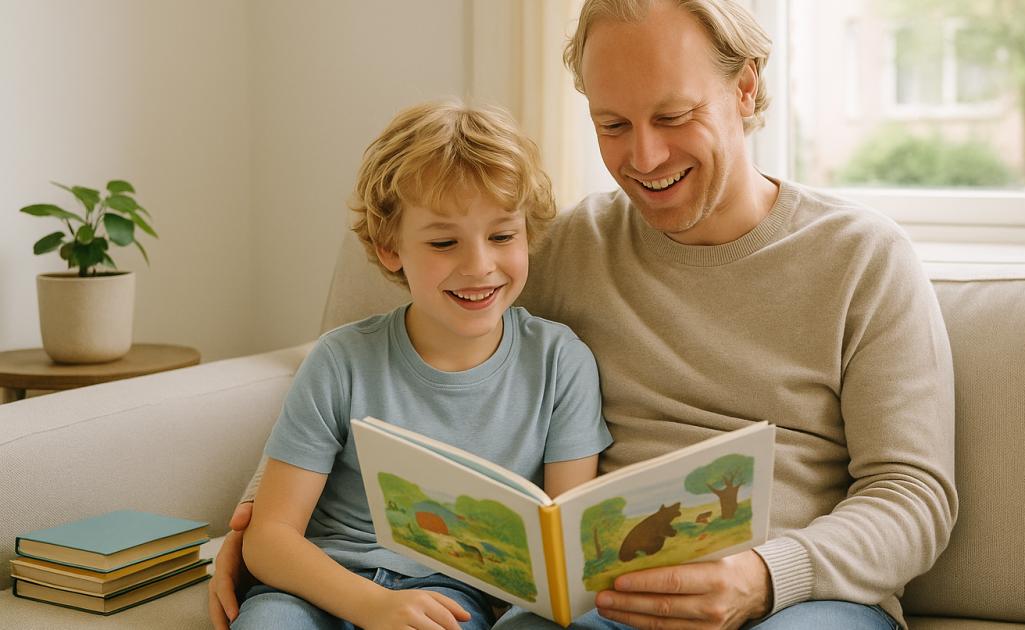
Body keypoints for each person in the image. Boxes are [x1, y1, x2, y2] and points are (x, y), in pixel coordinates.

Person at [211, 0, 957, 628]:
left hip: (800, 598)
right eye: (613, 125)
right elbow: (405, 348)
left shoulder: (863, 259)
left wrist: (767, 575)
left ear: (745, 88)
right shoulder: (568, 246)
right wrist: (256, 528)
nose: (646, 156)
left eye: (673, 115)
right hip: (614, 593)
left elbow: (914, 498)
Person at [225, 101, 613, 630]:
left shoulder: (560, 362)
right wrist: (371, 605)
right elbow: (270, 538)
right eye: (443, 242)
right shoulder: (342, 360)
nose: (479, 265)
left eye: (502, 235)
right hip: (320, 583)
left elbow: (567, 552)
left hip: (446, 601)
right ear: (390, 249)